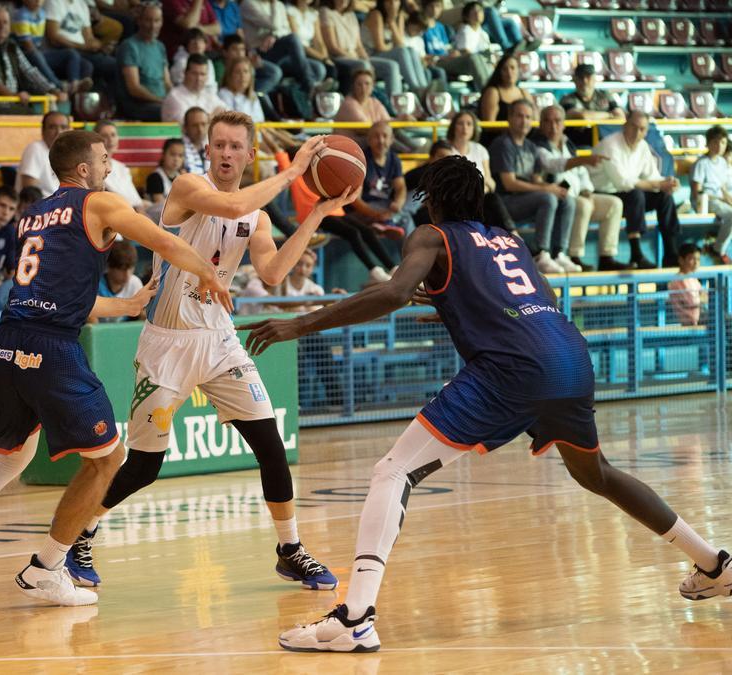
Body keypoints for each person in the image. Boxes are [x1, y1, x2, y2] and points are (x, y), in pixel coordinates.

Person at [243, 155, 732, 653]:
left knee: (393, 471)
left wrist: (299, 324)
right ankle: (714, 563)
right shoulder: (511, 240)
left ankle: (355, 617)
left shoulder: (432, 237)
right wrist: (457, 306)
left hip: (512, 369)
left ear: (431, 200)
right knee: (597, 474)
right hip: (567, 356)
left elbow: (393, 293)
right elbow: (534, 304)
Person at [0, 128, 234, 607]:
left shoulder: (32, 214)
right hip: (50, 351)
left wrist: (126, 304)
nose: (110, 166)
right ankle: (48, 567)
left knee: (10, 459)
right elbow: (163, 240)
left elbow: (58, 294)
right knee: (108, 460)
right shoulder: (98, 204)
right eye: (103, 159)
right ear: (83, 169)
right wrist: (209, 274)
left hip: (9, 343)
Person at [65, 112, 361, 590]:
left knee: (271, 447)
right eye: (218, 145)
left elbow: (272, 272)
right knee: (143, 467)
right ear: (209, 151)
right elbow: (227, 207)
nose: (225, 153)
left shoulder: (258, 215)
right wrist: (292, 172)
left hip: (220, 341)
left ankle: (290, 549)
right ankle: (81, 533)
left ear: (248, 154)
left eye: (234, 146)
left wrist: (315, 215)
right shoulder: (186, 187)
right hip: (166, 344)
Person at [490, 99, 600, 274]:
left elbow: (535, 179)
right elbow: (509, 183)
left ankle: (559, 253)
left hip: (525, 199)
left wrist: (553, 187)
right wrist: (547, 190)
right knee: (547, 198)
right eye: (519, 116)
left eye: (527, 117)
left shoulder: (530, 146)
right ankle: (542, 253)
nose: (524, 121)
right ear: (509, 118)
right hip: (506, 202)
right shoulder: (503, 144)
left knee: (566, 198)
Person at [534, 104, 625, 272]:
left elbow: (582, 172)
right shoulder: (538, 146)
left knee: (614, 204)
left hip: (579, 193)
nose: (553, 126)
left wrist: (587, 189)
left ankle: (607, 256)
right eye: (547, 121)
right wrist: (584, 160)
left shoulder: (568, 144)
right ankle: (574, 255)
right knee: (583, 205)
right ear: (540, 124)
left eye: (557, 121)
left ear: (564, 124)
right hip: (560, 197)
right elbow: (552, 165)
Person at [590, 111, 681, 269]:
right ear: (625, 125)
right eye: (634, 127)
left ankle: (671, 253)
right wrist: (658, 185)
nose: (637, 132)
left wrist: (668, 183)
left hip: (627, 195)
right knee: (635, 194)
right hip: (602, 194)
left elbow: (652, 176)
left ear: (646, 131)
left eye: (642, 129)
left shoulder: (643, 146)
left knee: (664, 197)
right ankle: (636, 253)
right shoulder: (610, 145)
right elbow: (623, 182)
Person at [444, 110, 513, 232]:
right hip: (456, 199)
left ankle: (511, 235)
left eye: (469, 124)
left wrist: (480, 193)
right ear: (453, 126)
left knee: (492, 200)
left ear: (474, 128)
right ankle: (511, 236)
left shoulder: (480, 150)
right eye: (460, 123)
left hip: (479, 196)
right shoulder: (445, 150)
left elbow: (490, 181)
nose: (465, 127)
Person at [242, 0, 326, 95]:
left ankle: (301, 96)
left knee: (318, 69)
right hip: (261, 52)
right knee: (293, 39)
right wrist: (273, 4)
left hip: (279, 52)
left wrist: (275, 35)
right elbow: (274, 25)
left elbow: (286, 30)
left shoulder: (279, 5)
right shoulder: (249, 4)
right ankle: (309, 84)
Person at [320, 0, 401, 96]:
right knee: (363, 65)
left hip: (356, 57)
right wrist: (354, 57)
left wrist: (367, 60)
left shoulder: (351, 15)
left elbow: (359, 46)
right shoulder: (326, 12)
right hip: (339, 57)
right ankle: (369, 101)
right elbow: (332, 47)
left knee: (391, 65)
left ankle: (396, 101)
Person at [344, 121, 409, 239]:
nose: (381, 141)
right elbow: (355, 200)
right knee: (401, 217)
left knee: (406, 217)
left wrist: (398, 203)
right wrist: (377, 215)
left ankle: (410, 254)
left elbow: (400, 187)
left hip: (384, 206)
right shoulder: (361, 160)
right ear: (369, 140)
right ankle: (386, 223)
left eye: (385, 136)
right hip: (362, 209)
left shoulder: (394, 159)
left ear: (392, 139)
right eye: (376, 136)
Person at [12, 0, 94, 92]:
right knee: (36, 54)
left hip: (39, 51)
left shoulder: (42, 13)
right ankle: (59, 85)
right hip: (24, 54)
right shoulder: (21, 15)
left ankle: (74, 84)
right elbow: (28, 45)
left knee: (72, 54)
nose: (38, 1)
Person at [363, 0, 433, 95]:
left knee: (411, 51)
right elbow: (380, 47)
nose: (392, 4)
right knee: (402, 52)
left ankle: (423, 89)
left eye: (396, 1)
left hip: (388, 54)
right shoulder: (376, 15)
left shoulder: (399, 16)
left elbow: (400, 43)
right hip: (370, 55)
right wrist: (393, 46)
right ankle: (416, 89)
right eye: (389, 1)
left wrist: (391, 22)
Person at [116, 3, 170, 121]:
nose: (152, 26)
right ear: (139, 21)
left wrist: (175, 99)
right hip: (139, 106)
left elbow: (167, 83)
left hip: (161, 103)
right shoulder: (129, 46)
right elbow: (134, 88)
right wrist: (162, 101)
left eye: (157, 21)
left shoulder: (160, 46)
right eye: (148, 20)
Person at [44, 0, 118, 87]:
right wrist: (82, 47)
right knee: (93, 65)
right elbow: (53, 37)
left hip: (82, 50)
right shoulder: (54, 2)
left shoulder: (81, 5)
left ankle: (104, 98)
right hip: (63, 50)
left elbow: (89, 38)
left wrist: (101, 46)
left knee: (115, 63)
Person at [419, 0, 488, 90]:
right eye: (431, 6)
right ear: (425, 7)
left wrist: (453, 52)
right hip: (437, 62)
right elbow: (422, 56)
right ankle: (488, 93)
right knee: (473, 58)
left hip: (448, 59)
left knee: (480, 59)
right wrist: (442, 57)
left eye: (437, 6)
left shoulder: (440, 27)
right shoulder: (420, 26)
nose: (434, 10)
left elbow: (446, 47)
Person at [691, 125, 732, 264]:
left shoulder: (722, 162)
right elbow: (697, 190)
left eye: (723, 142)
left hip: (719, 199)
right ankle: (718, 249)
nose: (719, 146)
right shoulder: (701, 163)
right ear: (707, 143)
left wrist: (729, 200)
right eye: (715, 142)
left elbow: (723, 188)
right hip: (707, 200)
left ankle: (717, 247)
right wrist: (699, 206)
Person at [94, 120, 148, 212]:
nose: (110, 140)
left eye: (113, 135)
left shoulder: (122, 167)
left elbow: (136, 199)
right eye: (105, 136)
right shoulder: (95, 168)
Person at [161, 53, 226, 123]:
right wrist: (213, 116)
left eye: (202, 74)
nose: (199, 78)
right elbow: (192, 126)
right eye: (194, 73)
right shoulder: (174, 97)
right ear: (185, 73)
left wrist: (210, 118)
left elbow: (226, 112)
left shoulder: (208, 94)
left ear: (207, 76)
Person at [18, 111, 71, 194]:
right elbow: (30, 191)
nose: (59, 132)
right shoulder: (35, 149)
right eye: (52, 127)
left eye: (63, 127)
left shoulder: (70, 154)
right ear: (43, 131)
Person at [94, 240, 145, 322]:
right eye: (122, 269)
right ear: (109, 267)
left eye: (130, 268)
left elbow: (142, 314)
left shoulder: (135, 283)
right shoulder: (96, 285)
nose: (127, 275)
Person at [479, 52, 529, 124]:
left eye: (512, 68)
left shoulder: (524, 93)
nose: (509, 72)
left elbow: (535, 120)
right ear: (499, 72)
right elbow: (489, 125)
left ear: (518, 70)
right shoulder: (493, 92)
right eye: (505, 69)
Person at [146, 137, 185, 206]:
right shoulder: (155, 177)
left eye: (180, 155)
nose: (176, 159)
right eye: (173, 154)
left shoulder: (182, 177)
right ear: (163, 155)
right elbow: (160, 204)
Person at [180, 106, 210, 175]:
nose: (200, 130)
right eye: (194, 125)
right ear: (185, 127)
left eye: (203, 124)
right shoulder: (177, 149)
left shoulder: (213, 146)